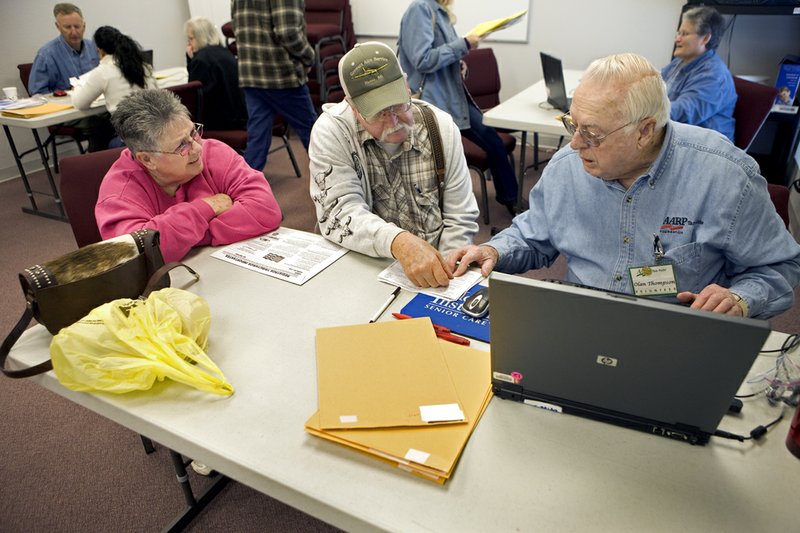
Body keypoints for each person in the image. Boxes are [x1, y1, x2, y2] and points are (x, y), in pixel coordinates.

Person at [448, 53, 800, 320]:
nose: (575, 144)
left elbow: (778, 268)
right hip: (579, 321)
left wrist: (741, 298)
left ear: (645, 131)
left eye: (593, 133)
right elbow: (533, 236)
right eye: (573, 124)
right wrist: (494, 251)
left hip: (675, 329)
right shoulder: (567, 169)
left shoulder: (724, 175)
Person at [309, 42, 479, 289]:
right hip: (364, 267)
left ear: (407, 86)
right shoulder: (332, 133)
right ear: (353, 107)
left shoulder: (440, 127)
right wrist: (398, 242)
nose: (393, 121)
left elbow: (460, 216)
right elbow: (341, 212)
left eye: (399, 104)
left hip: (437, 270)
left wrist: (446, 273)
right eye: (378, 113)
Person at [96, 89, 282, 262]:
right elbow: (138, 254)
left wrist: (181, 238)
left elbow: (266, 210)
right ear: (147, 159)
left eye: (194, 133)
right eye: (181, 146)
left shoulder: (214, 152)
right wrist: (206, 208)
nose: (197, 148)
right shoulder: (118, 194)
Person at [398, 0, 519, 214]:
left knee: (492, 141)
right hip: (435, 102)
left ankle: (511, 201)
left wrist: (459, 63)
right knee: (443, 160)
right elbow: (423, 60)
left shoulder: (439, 12)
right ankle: (505, 203)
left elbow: (440, 55)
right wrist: (464, 43)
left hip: (452, 99)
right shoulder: (420, 8)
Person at [231, 0, 318, 171]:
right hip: (280, 74)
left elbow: (236, 25)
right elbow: (288, 33)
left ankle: (243, 190)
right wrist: (310, 57)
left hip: (251, 73)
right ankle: (335, 185)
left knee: (257, 139)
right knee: (315, 133)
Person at [71, 26, 156, 149]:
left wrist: (77, 87)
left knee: (98, 130)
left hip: (131, 138)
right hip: (155, 130)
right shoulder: (142, 65)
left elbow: (80, 104)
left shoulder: (103, 72)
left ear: (100, 51)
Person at [661, 6, 737, 142]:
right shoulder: (679, 62)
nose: (677, 39)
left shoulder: (714, 75)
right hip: (677, 136)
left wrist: (644, 110)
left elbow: (682, 113)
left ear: (705, 38)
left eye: (684, 34)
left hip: (704, 149)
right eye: (678, 33)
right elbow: (653, 87)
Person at [184, 16, 247, 130]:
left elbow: (195, 97)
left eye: (191, 39)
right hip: (241, 115)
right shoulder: (225, 51)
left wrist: (190, 60)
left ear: (200, 37)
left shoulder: (201, 60)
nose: (189, 44)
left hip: (221, 122)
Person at [28, 3, 99, 95]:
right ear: (58, 27)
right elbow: (37, 93)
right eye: (68, 27)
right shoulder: (46, 55)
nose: (73, 32)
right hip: (67, 106)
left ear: (84, 26)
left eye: (77, 26)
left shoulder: (95, 48)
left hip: (98, 104)